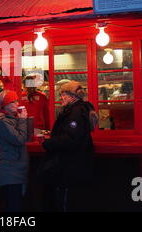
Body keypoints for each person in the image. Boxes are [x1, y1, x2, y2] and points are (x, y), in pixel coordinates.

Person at [40, 80, 95, 212]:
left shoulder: (75, 113)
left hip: (69, 165)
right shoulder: (78, 110)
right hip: (74, 164)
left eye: (63, 95)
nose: (61, 98)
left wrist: (48, 142)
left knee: (62, 200)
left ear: (72, 96)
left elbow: (70, 139)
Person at [0, 90, 28, 212]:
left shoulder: (9, 119)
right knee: (13, 206)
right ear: (5, 105)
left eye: (16, 100)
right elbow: (19, 139)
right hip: (10, 170)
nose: (17, 103)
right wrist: (23, 120)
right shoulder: (1, 122)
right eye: (13, 102)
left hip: (15, 169)